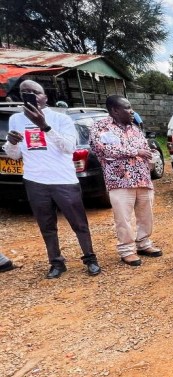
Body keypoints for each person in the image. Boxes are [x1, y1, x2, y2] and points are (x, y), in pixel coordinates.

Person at [3, 80, 101, 278]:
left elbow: (69, 147)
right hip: (35, 180)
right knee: (46, 225)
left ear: (44, 97)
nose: (30, 94)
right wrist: (11, 143)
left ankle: (90, 259)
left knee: (79, 223)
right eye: (25, 91)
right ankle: (56, 262)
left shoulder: (60, 119)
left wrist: (45, 126)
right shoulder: (15, 120)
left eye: (35, 92)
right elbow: (14, 155)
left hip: (63, 179)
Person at [89, 95, 162, 266]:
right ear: (115, 110)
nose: (132, 111)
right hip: (120, 181)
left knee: (146, 215)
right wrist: (136, 151)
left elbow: (144, 148)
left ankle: (143, 244)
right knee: (123, 218)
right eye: (128, 108)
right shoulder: (101, 128)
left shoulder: (135, 128)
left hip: (142, 179)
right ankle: (127, 251)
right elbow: (104, 149)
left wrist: (149, 153)